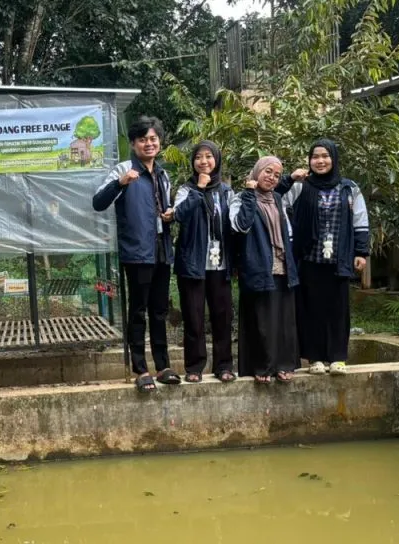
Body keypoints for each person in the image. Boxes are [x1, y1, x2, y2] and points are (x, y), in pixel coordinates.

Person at [92, 116, 180, 393]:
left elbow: (162, 208)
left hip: (161, 249)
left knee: (159, 309)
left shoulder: (163, 175)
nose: (149, 143)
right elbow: (98, 202)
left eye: (153, 139)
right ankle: (140, 369)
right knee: (139, 310)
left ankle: (163, 366)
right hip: (137, 251)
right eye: (142, 139)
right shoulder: (124, 169)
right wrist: (120, 183)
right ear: (133, 144)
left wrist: (170, 215)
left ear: (160, 142)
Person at [282, 140, 369, 375]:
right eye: (315, 157)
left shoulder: (349, 188)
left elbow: (360, 221)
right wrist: (289, 179)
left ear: (334, 158)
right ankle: (315, 358)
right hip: (308, 258)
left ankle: (337, 358)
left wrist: (361, 252)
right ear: (309, 160)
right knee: (311, 309)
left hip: (339, 259)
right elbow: (276, 199)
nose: (320, 161)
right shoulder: (301, 187)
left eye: (325, 156)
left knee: (338, 310)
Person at [230, 156, 300, 384]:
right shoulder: (241, 198)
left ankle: (284, 365)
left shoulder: (277, 199)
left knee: (283, 320)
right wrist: (250, 194)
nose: (271, 177)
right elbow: (241, 225)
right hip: (258, 266)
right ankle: (262, 367)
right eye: (267, 171)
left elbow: (287, 231)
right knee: (261, 320)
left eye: (277, 175)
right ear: (256, 172)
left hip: (282, 265)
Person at [173, 141, 236, 383]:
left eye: (209, 156)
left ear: (216, 160)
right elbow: (179, 215)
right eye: (199, 157)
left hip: (221, 265)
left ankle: (224, 366)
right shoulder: (186, 190)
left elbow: (234, 225)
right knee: (193, 317)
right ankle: (194, 367)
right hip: (193, 264)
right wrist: (199, 189)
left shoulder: (226, 192)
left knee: (222, 317)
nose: (204, 161)